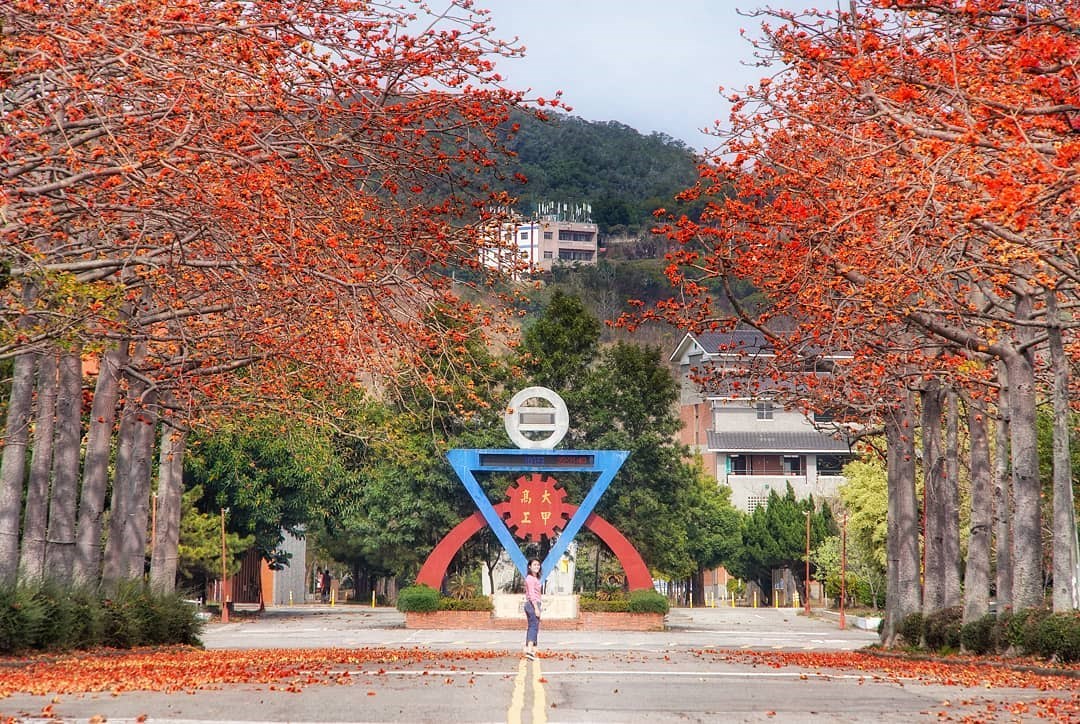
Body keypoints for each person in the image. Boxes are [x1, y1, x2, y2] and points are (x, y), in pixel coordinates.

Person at [523, 558, 542, 659]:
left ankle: (530, 649)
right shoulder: (530, 578)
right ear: (529, 567)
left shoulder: (535, 578)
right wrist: (536, 608)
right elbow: (531, 594)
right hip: (532, 604)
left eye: (538, 565)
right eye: (534, 565)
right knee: (533, 627)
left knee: (533, 626)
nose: (537, 566)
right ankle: (530, 650)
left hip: (534, 604)